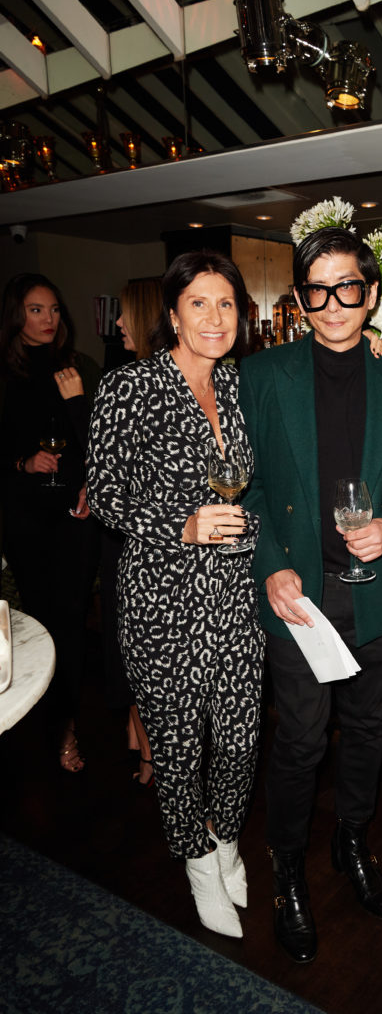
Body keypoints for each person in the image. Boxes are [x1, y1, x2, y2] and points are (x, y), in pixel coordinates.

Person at [239, 227, 382, 963]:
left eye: (348, 286)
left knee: (368, 732)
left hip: (373, 594)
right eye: (317, 289)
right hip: (299, 597)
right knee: (301, 742)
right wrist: (270, 566)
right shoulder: (263, 375)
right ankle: (287, 869)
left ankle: (351, 843)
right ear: (300, 298)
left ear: (371, 293)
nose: (333, 303)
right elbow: (245, 485)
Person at [87, 250, 264, 938]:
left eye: (226, 304)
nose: (214, 318)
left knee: (242, 740)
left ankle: (225, 838)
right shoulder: (128, 389)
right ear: (171, 315)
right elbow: (103, 495)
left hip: (236, 595)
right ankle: (195, 860)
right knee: (177, 744)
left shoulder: (243, 387)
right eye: (199, 303)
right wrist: (179, 524)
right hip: (162, 599)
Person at [0, 273, 100, 772]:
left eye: (54, 310)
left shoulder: (75, 368)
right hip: (25, 516)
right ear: (16, 315)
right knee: (42, 623)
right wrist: (22, 463)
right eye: (37, 310)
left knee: (71, 624)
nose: (48, 319)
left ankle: (67, 724)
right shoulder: (4, 373)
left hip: (72, 515)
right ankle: (55, 726)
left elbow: (97, 445)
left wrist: (88, 485)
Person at [100, 279, 162, 789]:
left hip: (189, 560)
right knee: (138, 658)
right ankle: (145, 744)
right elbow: (106, 489)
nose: (118, 324)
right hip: (133, 548)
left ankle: (141, 735)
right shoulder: (124, 383)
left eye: (125, 314)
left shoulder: (222, 382)